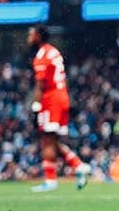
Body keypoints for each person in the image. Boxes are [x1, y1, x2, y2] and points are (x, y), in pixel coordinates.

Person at [27, 25, 91, 192]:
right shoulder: (54, 51)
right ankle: (78, 166)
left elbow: (40, 85)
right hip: (62, 96)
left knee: (46, 139)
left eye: (31, 34)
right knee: (53, 140)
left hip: (51, 99)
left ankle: (50, 181)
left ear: (39, 36)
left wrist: (35, 107)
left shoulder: (42, 55)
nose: (29, 37)